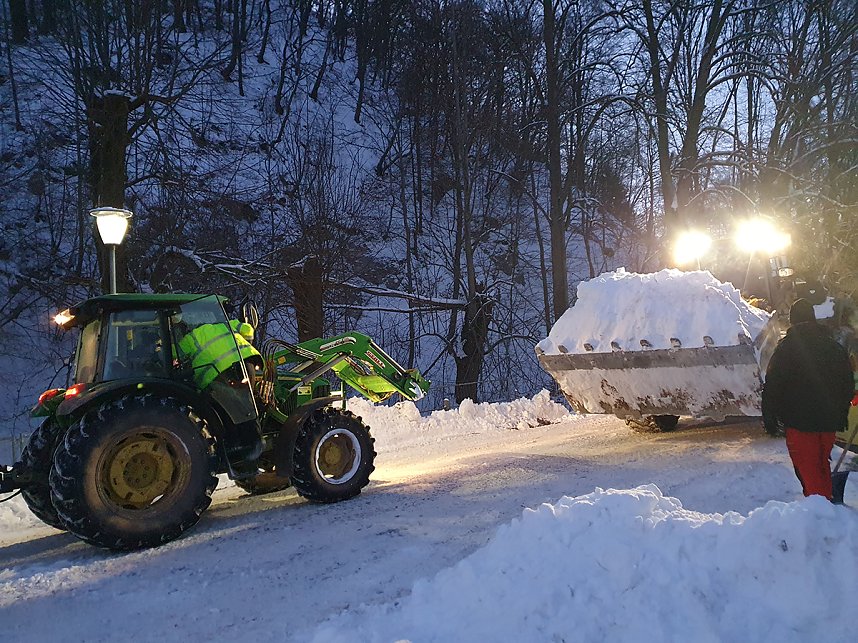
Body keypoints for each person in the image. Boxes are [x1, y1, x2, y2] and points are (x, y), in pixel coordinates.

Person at [762, 298, 855, 500]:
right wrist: (841, 413)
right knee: (821, 464)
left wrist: (770, 417)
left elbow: (773, 385)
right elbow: (847, 382)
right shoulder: (834, 347)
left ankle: (820, 510)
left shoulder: (786, 349)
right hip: (828, 422)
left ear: (792, 321)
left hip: (800, 423)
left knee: (808, 470)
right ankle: (827, 502)